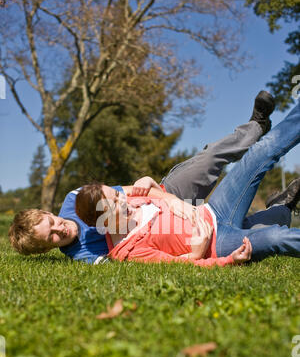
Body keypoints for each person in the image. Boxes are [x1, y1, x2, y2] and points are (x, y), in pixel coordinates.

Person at [8, 91, 295, 263]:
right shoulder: (87, 255)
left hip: (163, 197)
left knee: (210, 159)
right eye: (53, 237)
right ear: (48, 248)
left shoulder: (76, 198)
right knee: (260, 229)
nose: (62, 230)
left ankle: (256, 127)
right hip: (179, 234)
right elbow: (146, 257)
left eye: (53, 223)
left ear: (47, 212)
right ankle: (281, 208)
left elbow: (134, 192)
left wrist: (171, 199)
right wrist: (197, 256)